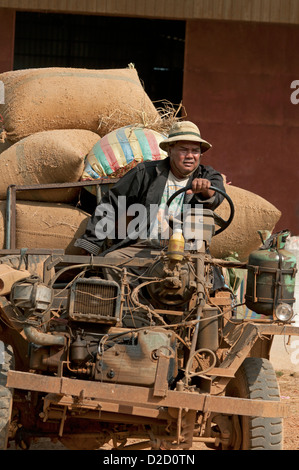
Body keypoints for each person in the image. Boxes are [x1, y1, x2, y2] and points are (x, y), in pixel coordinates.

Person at [75, 121, 225, 263]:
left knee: (202, 278)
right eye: (184, 150)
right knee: (110, 261)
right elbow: (112, 204)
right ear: (170, 150)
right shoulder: (145, 173)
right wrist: (91, 242)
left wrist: (206, 190)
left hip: (187, 251)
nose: (190, 156)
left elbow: (217, 195)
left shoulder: (207, 176)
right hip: (144, 248)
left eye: (195, 151)